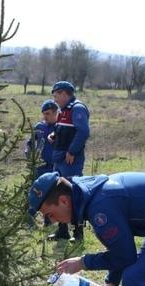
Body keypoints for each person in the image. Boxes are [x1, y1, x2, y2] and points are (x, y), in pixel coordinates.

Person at [47, 80, 90, 242]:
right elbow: (65, 130)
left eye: (56, 95)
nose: (55, 99)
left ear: (64, 94)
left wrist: (72, 151)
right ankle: (62, 230)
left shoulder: (77, 108)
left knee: (73, 194)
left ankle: (78, 233)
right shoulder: (63, 110)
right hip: (59, 159)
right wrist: (54, 135)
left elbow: (83, 132)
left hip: (70, 160)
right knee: (58, 194)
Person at [24, 99, 59, 178]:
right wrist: (28, 153)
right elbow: (30, 143)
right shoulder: (39, 126)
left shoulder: (61, 127)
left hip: (55, 168)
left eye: (48, 113)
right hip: (40, 167)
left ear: (55, 113)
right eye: (44, 114)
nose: (45, 116)